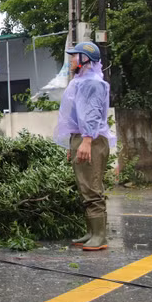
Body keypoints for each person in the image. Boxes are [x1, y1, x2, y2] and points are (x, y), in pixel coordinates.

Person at [53, 41, 115, 252]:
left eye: (74, 56)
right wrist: (74, 143)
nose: (71, 60)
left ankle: (99, 235)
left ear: (85, 58)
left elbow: (93, 113)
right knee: (85, 186)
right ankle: (92, 231)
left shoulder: (92, 83)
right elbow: (76, 114)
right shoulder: (81, 80)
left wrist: (87, 140)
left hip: (91, 139)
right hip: (81, 136)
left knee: (92, 187)